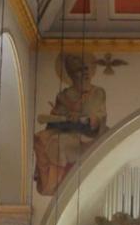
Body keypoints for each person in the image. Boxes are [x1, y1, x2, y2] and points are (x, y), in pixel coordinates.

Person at [34, 52, 107, 195]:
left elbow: (99, 115)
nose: (85, 73)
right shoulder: (63, 95)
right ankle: (51, 184)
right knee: (40, 139)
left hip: (88, 133)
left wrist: (83, 118)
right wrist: (60, 116)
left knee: (58, 143)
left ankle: (63, 184)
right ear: (72, 75)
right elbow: (57, 118)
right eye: (80, 71)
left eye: (86, 69)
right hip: (66, 129)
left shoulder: (97, 92)